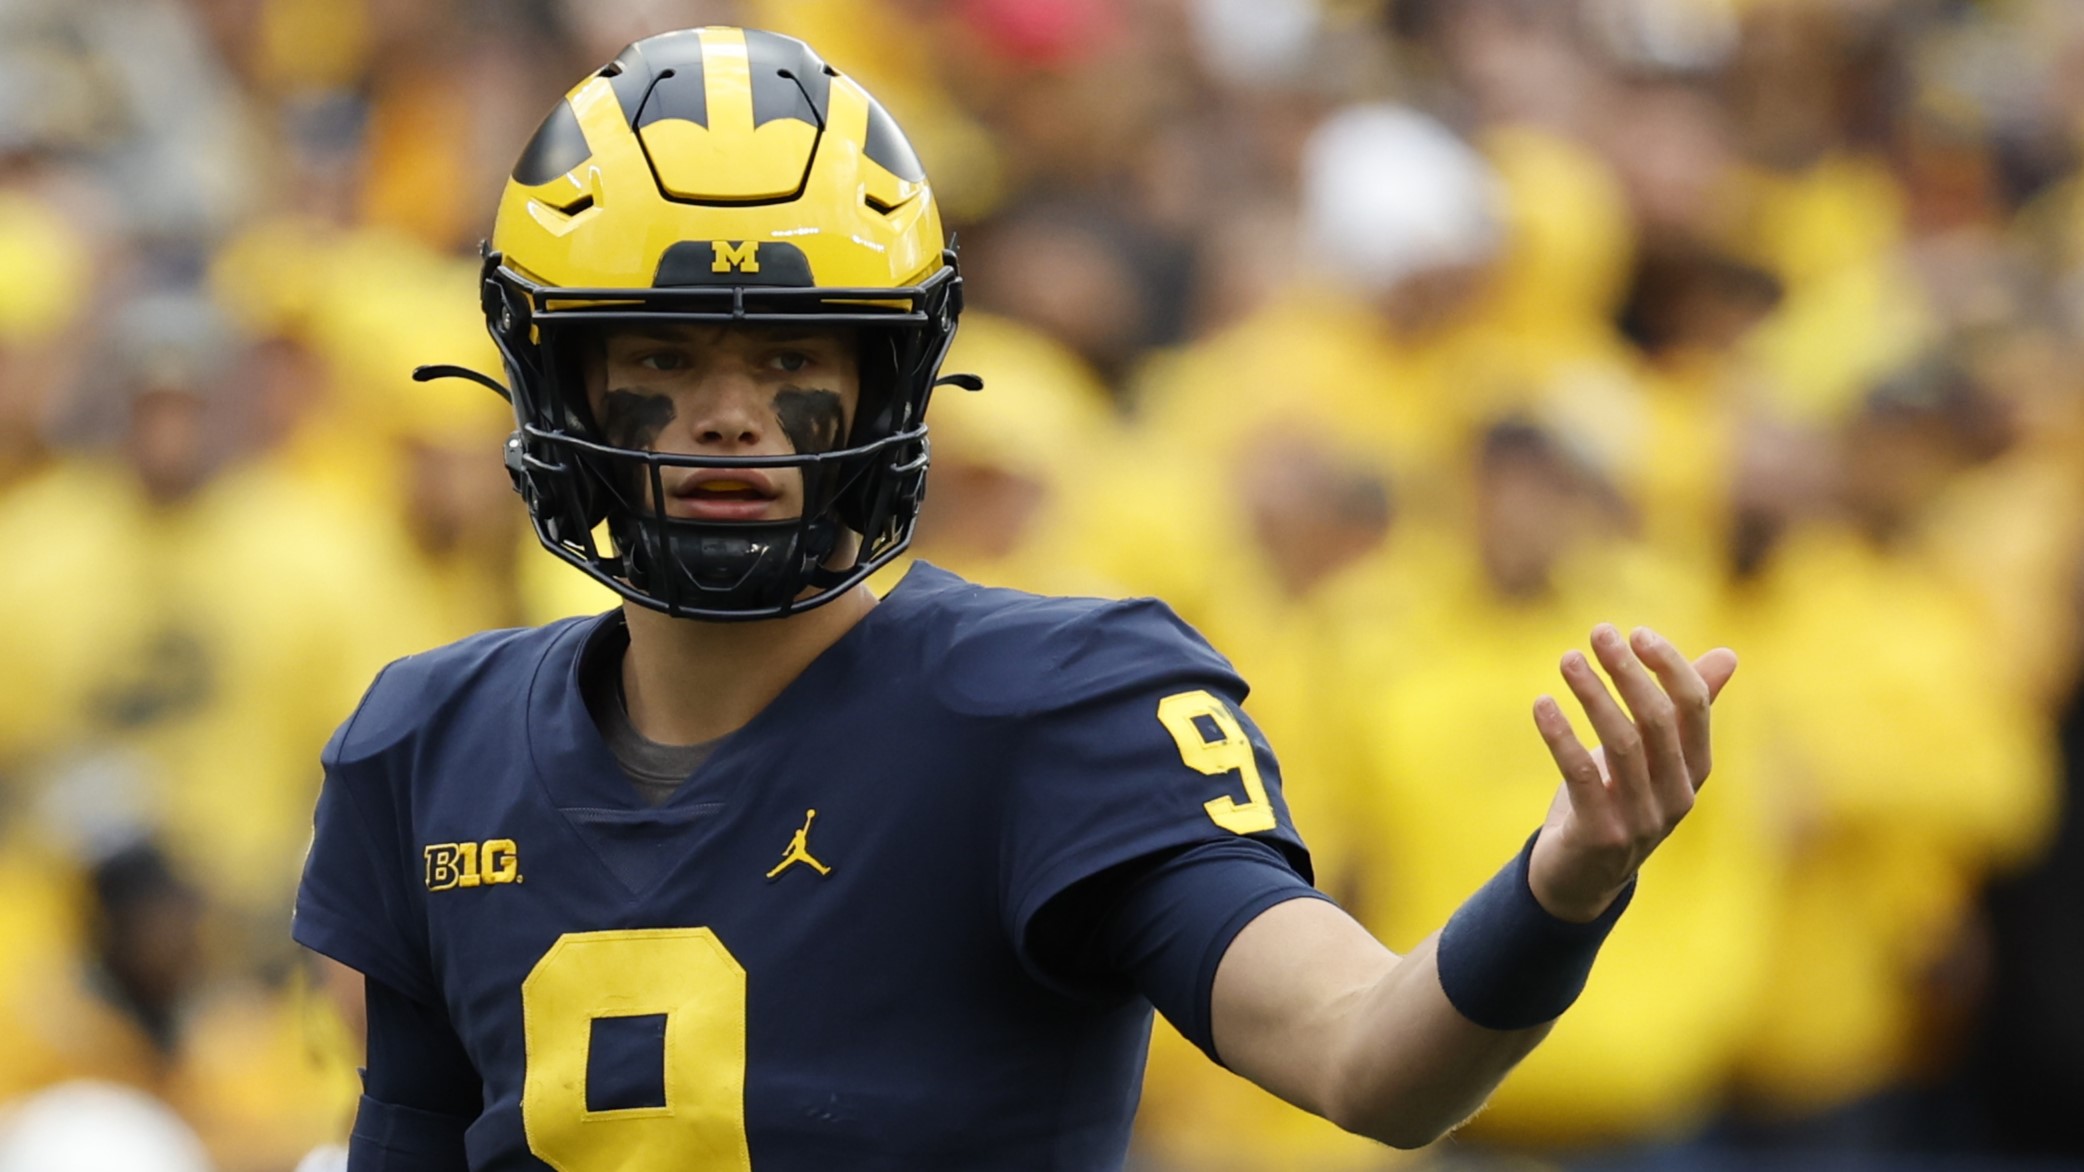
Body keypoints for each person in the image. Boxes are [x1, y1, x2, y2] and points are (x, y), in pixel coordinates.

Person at [293, 27, 1737, 1170]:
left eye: (796, 359)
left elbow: (1370, 1058)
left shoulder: (1050, 708)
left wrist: (1564, 884)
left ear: (890, 380)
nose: (727, 417)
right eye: (660, 359)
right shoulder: (425, 747)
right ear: (559, 379)